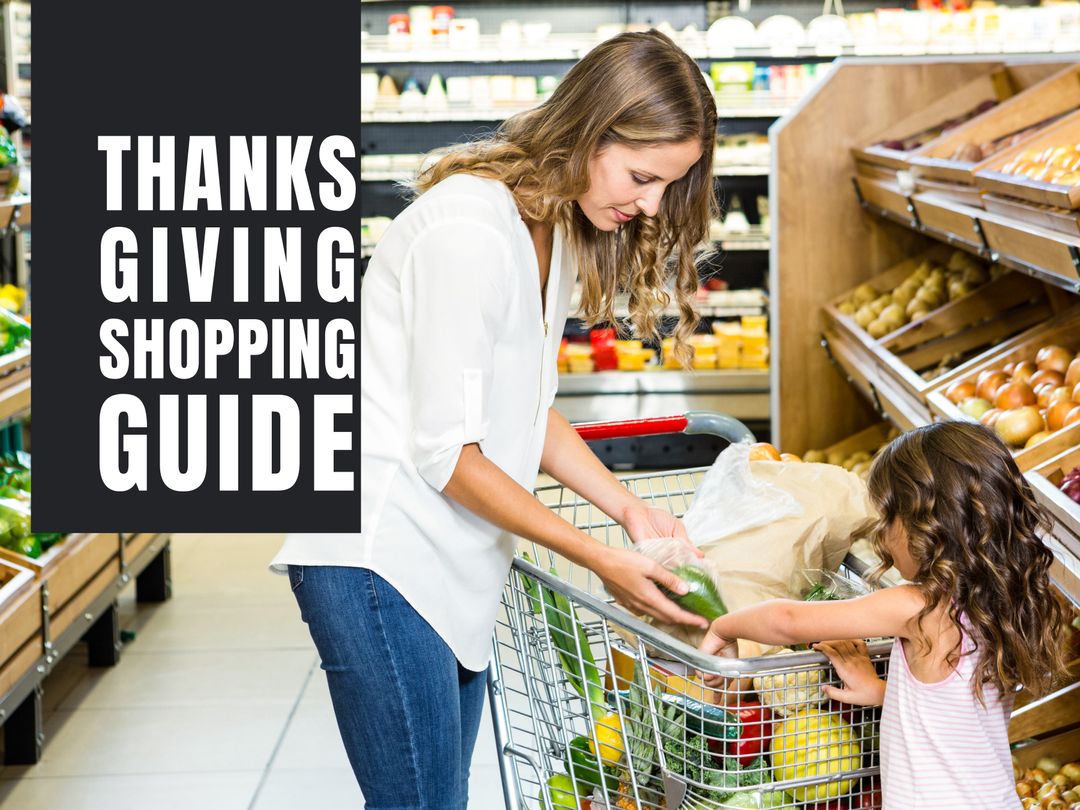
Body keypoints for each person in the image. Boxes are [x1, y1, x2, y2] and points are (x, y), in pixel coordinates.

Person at [271, 30, 720, 809]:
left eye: (664, 186)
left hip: (451, 559)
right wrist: (601, 557)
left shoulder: (551, 227)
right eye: (643, 176)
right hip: (382, 556)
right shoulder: (469, 230)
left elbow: (522, 408)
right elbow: (450, 455)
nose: (649, 205)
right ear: (589, 129)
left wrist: (629, 510)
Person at [699, 421, 1067, 810]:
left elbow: (786, 620)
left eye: (887, 519)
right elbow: (960, 718)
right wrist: (879, 693)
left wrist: (725, 625)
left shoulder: (920, 607)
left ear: (925, 526)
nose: (881, 535)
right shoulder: (1002, 602)